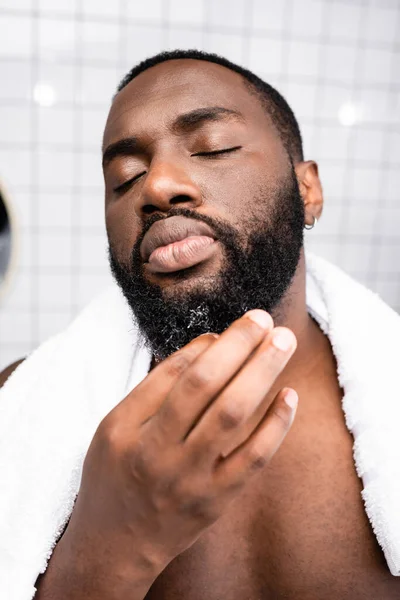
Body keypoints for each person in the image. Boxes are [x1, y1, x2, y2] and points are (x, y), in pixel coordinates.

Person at [2, 50, 400, 599]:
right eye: (125, 177)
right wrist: (106, 549)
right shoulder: (16, 409)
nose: (157, 186)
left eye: (214, 146)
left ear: (307, 189)